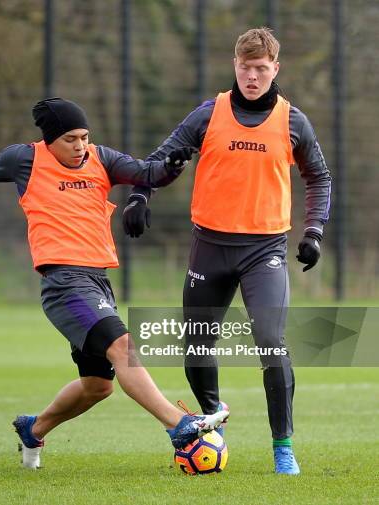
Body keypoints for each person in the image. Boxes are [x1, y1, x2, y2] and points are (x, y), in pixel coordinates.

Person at [0, 97, 229, 469]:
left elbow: (149, 173)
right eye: (71, 138)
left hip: (97, 282)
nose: (80, 145)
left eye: (84, 136)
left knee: (98, 386)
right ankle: (178, 425)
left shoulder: (102, 158)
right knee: (122, 344)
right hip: (64, 283)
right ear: (50, 140)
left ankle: (34, 428)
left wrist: (172, 166)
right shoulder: (25, 160)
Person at [122, 28, 331, 475]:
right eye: (245, 67)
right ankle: (214, 416)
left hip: (265, 250)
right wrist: (141, 195)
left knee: (272, 343)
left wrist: (313, 230)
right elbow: (161, 158)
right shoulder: (207, 115)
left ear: (275, 69)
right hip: (209, 246)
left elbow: (319, 178)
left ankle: (283, 447)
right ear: (234, 66)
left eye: (260, 69)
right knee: (196, 347)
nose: (252, 76)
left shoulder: (294, 122)